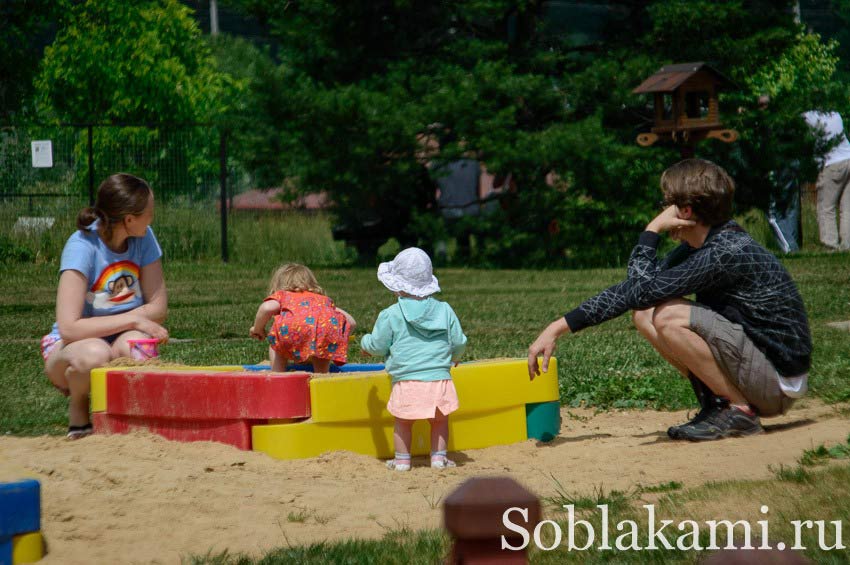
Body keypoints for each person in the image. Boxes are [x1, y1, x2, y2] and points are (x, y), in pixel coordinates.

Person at [527, 159, 812, 442]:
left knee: (667, 315)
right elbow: (635, 291)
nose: (662, 211)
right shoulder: (704, 244)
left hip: (776, 384)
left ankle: (738, 411)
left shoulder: (725, 251)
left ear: (684, 210)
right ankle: (719, 404)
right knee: (644, 314)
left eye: (666, 204)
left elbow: (640, 290)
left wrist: (651, 231)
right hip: (760, 373)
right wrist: (557, 327)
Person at [43, 173, 168, 440]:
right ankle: (78, 407)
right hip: (72, 346)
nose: (152, 218)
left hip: (117, 336)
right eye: (149, 212)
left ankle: (132, 421)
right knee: (95, 354)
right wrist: (134, 320)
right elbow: (69, 327)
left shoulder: (144, 238)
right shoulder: (82, 245)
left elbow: (158, 307)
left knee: (138, 347)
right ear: (129, 220)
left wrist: (132, 325)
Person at [360, 247, 467, 471]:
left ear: (396, 286)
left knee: (403, 422)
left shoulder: (390, 314)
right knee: (439, 422)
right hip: (439, 379)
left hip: (407, 380)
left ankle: (402, 461)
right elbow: (458, 341)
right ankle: (438, 459)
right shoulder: (445, 310)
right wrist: (455, 356)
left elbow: (378, 345)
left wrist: (365, 344)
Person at [249, 263, 356, 373]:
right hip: (325, 330)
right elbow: (351, 322)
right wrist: (335, 338)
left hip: (290, 330)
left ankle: (278, 373)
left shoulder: (284, 295)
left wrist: (257, 329)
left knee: (276, 342)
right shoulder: (322, 300)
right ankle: (322, 376)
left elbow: (266, 308)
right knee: (322, 346)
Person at [803, 110, 850, 250]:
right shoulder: (835, 113)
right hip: (848, 156)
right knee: (847, 207)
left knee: (826, 207)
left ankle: (830, 244)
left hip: (832, 163)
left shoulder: (808, 116)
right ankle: (847, 243)